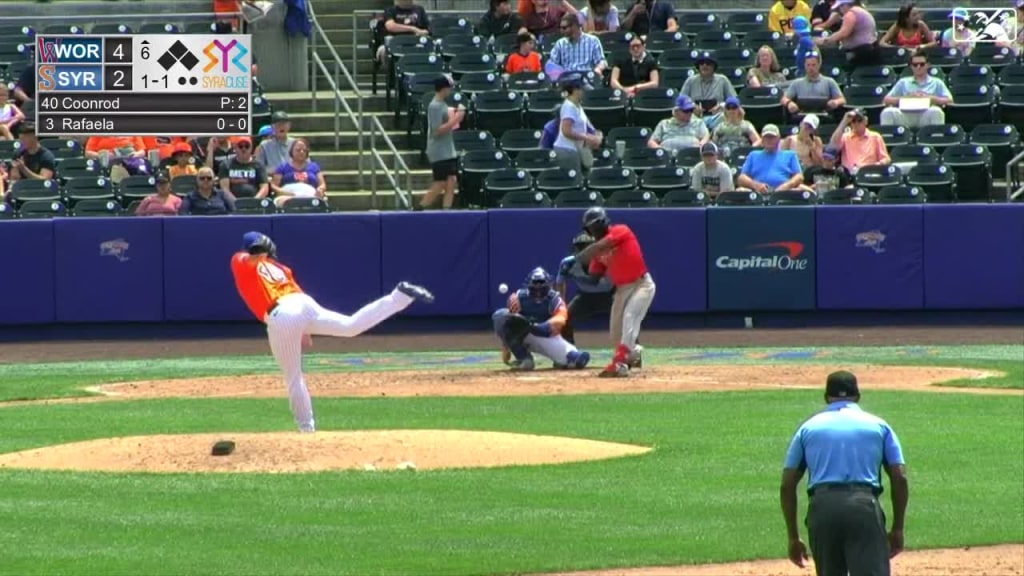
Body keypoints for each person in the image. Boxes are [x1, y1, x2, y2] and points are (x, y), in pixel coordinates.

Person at [230, 231, 434, 432]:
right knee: (351, 326)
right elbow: (258, 264)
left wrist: (260, 251)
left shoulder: (245, 260)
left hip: (281, 314)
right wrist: (304, 330)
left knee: (293, 377)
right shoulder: (275, 266)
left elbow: (252, 261)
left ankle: (306, 429)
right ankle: (399, 297)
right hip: (302, 305)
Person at [780, 370, 909, 576]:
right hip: (863, 507)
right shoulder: (879, 426)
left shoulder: (807, 428)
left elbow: (787, 484)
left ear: (826, 397)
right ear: (857, 396)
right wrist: (898, 529)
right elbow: (900, 478)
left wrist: (793, 537)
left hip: (822, 509)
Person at [576, 206, 655, 378]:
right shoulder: (597, 253)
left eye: (597, 224)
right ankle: (633, 353)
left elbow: (598, 247)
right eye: (592, 226)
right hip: (622, 289)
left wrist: (576, 260)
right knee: (615, 332)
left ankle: (619, 364)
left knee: (629, 318)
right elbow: (593, 278)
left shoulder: (620, 231)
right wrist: (575, 273)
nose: (595, 228)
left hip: (642, 284)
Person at [492, 267, 592, 371]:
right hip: (523, 335)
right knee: (500, 315)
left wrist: (535, 326)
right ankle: (524, 358)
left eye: (541, 286)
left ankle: (565, 358)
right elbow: (507, 324)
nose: (538, 290)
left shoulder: (555, 299)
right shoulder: (519, 297)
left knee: (575, 358)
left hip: (546, 334)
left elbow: (560, 319)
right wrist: (505, 345)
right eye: (535, 286)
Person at [554, 232, 615, 346]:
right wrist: (560, 303)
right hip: (585, 297)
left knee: (626, 319)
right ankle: (568, 354)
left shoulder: (606, 260)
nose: (584, 251)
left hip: (609, 295)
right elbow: (560, 282)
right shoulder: (568, 263)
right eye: (580, 248)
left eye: (587, 247)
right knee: (564, 320)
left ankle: (631, 354)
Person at [419, 76, 464, 210]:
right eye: (449, 87)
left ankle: (446, 210)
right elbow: (437, 131)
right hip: (439, 151)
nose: (450, 90)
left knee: (452, 181)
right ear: (443, 88)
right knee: (440, 182)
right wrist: (457, 118)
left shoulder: (443, 104)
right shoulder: (435, 106)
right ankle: (420, 207)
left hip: (447, 149)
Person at [879, 49, 951, 129]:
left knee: (937, 112)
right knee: (887, 112)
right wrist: (907, 97)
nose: (918, 67)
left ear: (928, 65)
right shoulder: (903, 82)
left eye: (922, 64)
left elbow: (949, 100)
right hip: (905, 115)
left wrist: (930, 98)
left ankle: (936, 139)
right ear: (911, 66)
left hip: (926, 114)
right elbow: (886, 100)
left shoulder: (937, 82)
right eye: (915, 64)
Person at [552, 75, 602, 174]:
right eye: (582, 89)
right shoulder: (569, 106)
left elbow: (589, 126)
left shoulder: (578, 106)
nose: (584, 92)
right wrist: (587, 138)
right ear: (575, 90)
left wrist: (597, 135)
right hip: (567, 151)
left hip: (576, 149)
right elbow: (566, 131)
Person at [780, 51, 846, 123]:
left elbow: (842, 99)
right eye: (808, 65)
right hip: (801, 117)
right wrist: (789, 103)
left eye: (813, 65)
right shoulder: (797, 83)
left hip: (824, 116)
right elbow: (784, 98)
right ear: (805, 65)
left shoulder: (829, 81)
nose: (811, 68)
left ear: (819, 65)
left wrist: (836, 102)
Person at [736, 124, 804, 192]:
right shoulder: (753, 155)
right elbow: (742, 178)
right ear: (762, 139)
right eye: (766, 137)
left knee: (802, 190)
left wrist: (786, 186)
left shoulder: (790, 155)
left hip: (784, 192)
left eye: (772, 137)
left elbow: (799, 177)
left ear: (778, 139)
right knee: (740, 191)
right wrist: (756, 185)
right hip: (758, 192)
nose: (769, 140)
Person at [814, 0, 881, 69]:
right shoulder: (860, 11)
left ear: (845, 5)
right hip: (869, 49)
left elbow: (843, 33)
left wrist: (825, 41)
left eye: (840, 7)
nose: (840, 10)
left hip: (863, 52)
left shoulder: (851, 14)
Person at [680, 52, 737, 130]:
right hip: (695, 118)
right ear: (698, 66)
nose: (704, 65)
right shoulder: (690, 81)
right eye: (702, 63)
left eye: (708, 63)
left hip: (717, 117)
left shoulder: (722, 80)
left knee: (725, 117)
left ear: (714, 66)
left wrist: (721, 106)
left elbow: (734, 100)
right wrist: (692, 107)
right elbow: (680, 101)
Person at [830, 108, 890, 174]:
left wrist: (876, 165)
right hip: (849, 174)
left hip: (869, 173)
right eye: (853, 121)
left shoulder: (875, 136)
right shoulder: (845, 137)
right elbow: (833, 144)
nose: (856, 123)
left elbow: (886, 159)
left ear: (866, 121)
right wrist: (844, 121)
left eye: (859, 120)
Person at [547, 14, 607, 80]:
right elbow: (552, 64)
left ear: (574, 26)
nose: (561, 31)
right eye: (560, 28)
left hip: (586, 78)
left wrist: (598, 69)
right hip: (566, 79)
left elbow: (601, 61)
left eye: (564, 28)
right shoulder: (560, 44)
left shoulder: (593, 41)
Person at [270, 138, 326, 207]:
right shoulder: (283, 167)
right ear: (292, 151)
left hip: (310, 195)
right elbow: (273, 185)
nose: (301, 152)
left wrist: (320, 189)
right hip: (288, 195)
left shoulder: (314, 166)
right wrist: (284, 192)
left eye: (304, 150)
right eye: (298, 150)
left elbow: (322, 184)